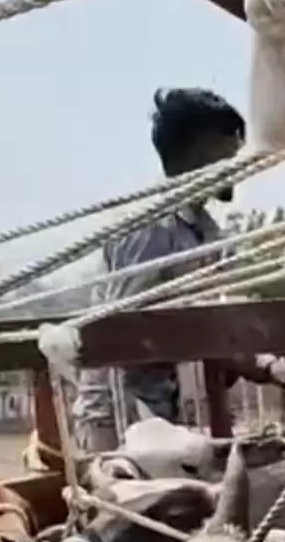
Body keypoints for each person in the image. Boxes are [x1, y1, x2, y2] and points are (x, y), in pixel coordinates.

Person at [73, 88, 246, 453]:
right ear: (200, 153)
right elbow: (121, 332)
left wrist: (261, 364)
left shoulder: (206, 231)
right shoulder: (148, 227)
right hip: (123, 417)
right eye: (229, 151)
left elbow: (209, 320)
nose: (239, 163)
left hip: (164, 410)